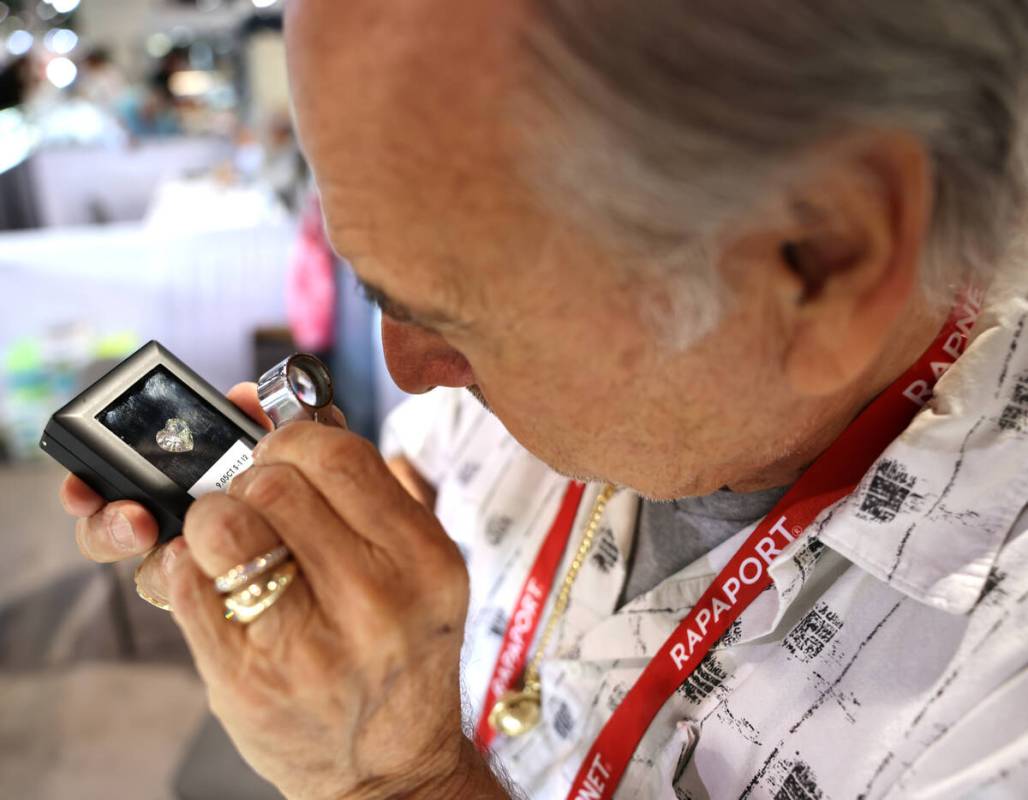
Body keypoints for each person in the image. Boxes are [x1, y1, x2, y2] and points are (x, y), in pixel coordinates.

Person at [58, 1, 1028, 798]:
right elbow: (427, 468)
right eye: (373, 292)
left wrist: (399, 778)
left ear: (823, 257)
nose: (405, 368)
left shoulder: (998, 695)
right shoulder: (548, 384)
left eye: (451, 314)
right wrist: (324, 561)